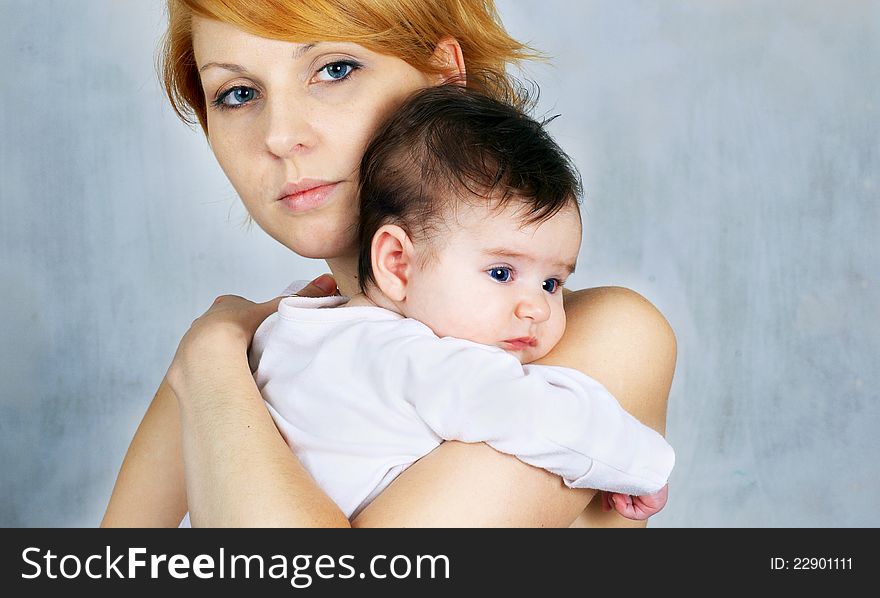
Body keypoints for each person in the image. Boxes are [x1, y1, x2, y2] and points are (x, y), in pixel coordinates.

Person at [102, 0, 677, 528]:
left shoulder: (607, 339)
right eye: (238, 94)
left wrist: (207, 366)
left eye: (334, 69)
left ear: (444, 77)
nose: (281, 136)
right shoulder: (253, 353)